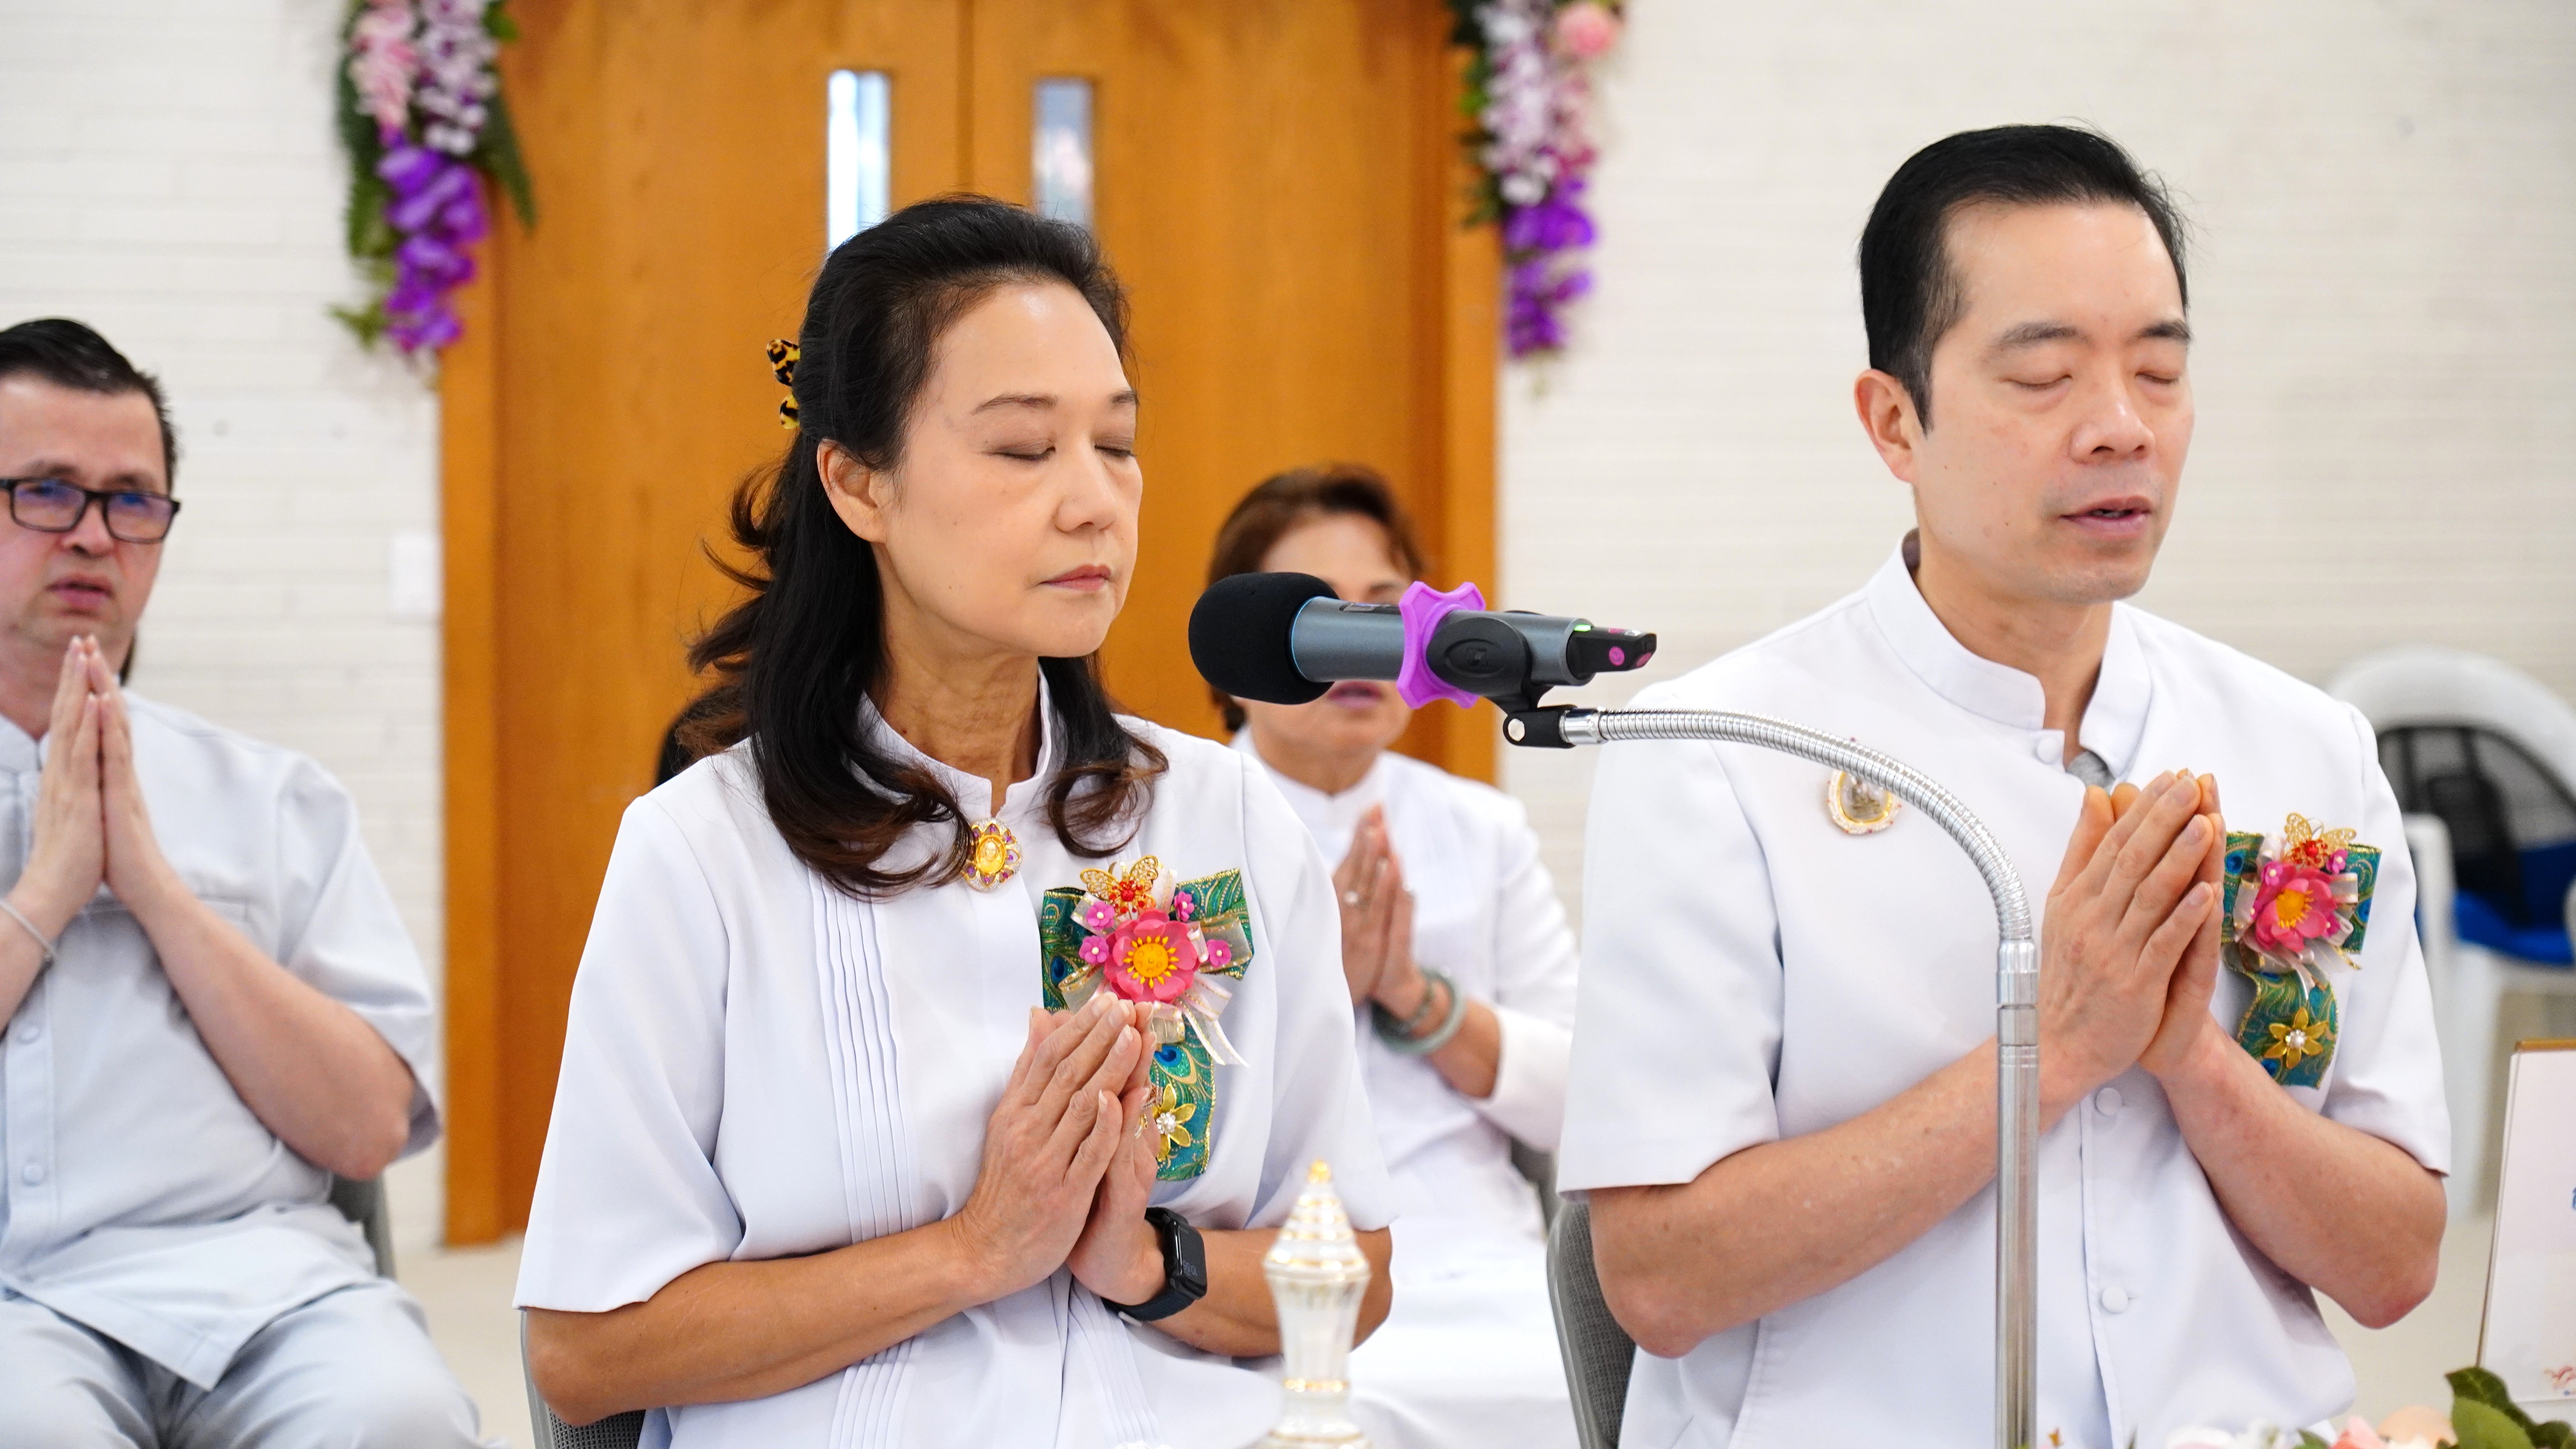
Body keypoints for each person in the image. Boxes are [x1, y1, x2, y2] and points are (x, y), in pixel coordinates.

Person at [1560, 126, 2449, 1448]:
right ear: (1893, 421)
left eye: (2160, 370)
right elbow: (1662, 1280)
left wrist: (2192, 1057)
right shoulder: (1718, 753)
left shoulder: (2305, 750)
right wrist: (2057, 1051)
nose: (2119, 428)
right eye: (2043, 375)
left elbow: (2395, 1265)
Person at [515, 198, 1396, 1448]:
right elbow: (586, 1352)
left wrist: (1147, 1265)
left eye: (1119, 445)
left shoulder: (1227, 817)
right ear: (859, 481)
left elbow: (1354, 1265)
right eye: (1026, 451)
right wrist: (975, 1252)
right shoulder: (702, 851)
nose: (1096, 503)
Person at [0, 319, 481, 1445]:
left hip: (266, 1290)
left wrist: (157, 891)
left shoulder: (273, 799)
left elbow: (368, 1130)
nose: (91, 536)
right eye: (46, 492)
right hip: (17, 1303)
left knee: (400, 1415)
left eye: (131, 501)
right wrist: (53, 889)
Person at [1208, 465, 1580, 1449]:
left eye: (1386, 613)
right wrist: (1310, 983)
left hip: (1480, 1265)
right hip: (1269, 1266)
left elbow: (1583, 1099)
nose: (1365, 649)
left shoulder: (1480, 827)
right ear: (1245, 650)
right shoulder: (1172, 824)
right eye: (1325, 617)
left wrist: (1418, 1000)